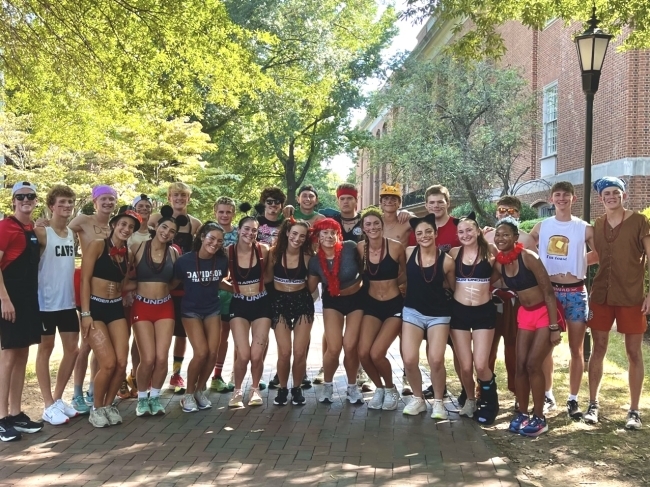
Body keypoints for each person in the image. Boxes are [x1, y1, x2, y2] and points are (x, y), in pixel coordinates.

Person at [585, 177, 650, 430]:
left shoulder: (639, 222)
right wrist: (561, 266)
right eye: (606, 194)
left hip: (631, 296)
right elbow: (596, 256)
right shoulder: (598, 224)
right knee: (598, 348)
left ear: (623, 195)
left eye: (615, 192)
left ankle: (634, 410)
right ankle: (593, 404)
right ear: (600, 198)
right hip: (601, 295)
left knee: (633, 352)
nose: (611, 196)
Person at [528, 181, 596, 419]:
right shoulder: (542, 226)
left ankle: (573, 399)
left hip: (576, 292)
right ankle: (548, 395)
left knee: (576, 349)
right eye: (557, 195)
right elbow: (525, 249)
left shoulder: (584, 227)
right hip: (550, 293)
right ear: (551, 198)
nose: (561, 199)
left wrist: (577, 261)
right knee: (547, 347)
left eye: (566, 195)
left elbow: (600, 253)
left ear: (573, 199)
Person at [493, 217, 563, 437]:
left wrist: (554, 327)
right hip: (525, 314)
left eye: (506, 235)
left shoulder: (528, 257)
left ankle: (539, 417)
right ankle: (522, 414)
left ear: (516, 237)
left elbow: (549, 292)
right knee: (520, 365)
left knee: (534, 364)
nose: (501, 238)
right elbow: (485, 279)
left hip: (545, 312)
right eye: (498, 235)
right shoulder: (499, 262)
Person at [80, 206, 142, 428]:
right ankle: (95, 407)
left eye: (131, 227)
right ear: (114, 225)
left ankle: (107, 405)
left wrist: (152, 285)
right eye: (123, 224)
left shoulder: (129, 254)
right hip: (95, 308)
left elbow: (123, 284)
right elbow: (84, 280)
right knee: (106, 363)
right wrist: (85, 313)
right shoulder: (97, 245)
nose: (126, 229)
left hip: (115, 307)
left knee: (121, 363)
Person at [484, 196, 540, 410]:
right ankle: (484, 388)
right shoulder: (486, 236)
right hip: (491, 297)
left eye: (512, 210)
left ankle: (517, 391)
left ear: (518, 213)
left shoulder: (526, 239)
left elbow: (532, 274)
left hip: (516, 300)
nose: (507, 213)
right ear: (496, 212)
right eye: (502, 209)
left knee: (514, 348)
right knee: (488, 346)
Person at [0, 182, 45, 441]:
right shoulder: (5, 227)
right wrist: (5, 299)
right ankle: (2, 417)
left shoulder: (31, 229)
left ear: (36, 200)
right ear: (14, 200)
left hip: (29, 301)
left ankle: (16, 414)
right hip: (10, 301)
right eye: (21, 196)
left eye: (30, 196)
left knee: (22, 356)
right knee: (7, 358)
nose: (26, 199)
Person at [68, 184, 118, 414]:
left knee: (103, 345)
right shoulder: (83, 221)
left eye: (112, 199)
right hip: (86, 287)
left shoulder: (115, 227)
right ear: (95, 200)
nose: (108, 203)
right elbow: (60, 230)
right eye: (104, 199)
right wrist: (43, 224)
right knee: (87, 343)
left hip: (107, 291)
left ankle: (93, 387)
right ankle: (77, 392)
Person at [130, 206, 184, 416]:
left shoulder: (174, 253)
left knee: (162, 358)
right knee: (148, 358)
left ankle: (155, 397)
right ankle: (141, 399)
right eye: (164, 227)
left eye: (171, 231)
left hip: (165, 307)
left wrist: (165, 289)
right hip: (141, 307)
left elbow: (177, 278)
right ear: (156, 227)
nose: (166, 233)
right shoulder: (137, 247)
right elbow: (126, 275)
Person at [35, 185, 82, 426]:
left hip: (67, 302)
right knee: (46, 349)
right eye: (62, 202)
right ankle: (46, 405)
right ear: (51, 205)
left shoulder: (71, 233)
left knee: (72, 349)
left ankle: (57, 399)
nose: (66, 206)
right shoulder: (42, 232)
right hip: (44, 302)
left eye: (70, 202)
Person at [401, 214, 455, 418]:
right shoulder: (408, 253)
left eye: (428, 232)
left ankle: (439, 402)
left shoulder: (447, 261)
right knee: (409, 358)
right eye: (419, 233)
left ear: (436, 233)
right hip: (412, 311)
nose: (424, 236)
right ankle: (418, 399)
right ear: (415, 236)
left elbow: (453, 287)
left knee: (436, 359)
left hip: (438, 314)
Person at [149, 182, 201, 393]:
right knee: (154, 333)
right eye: (175, 195)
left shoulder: (195, 224)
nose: (179, 198)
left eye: (183, 195)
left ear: (188, 199)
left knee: (182, 333)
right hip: (158, 283)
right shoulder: (154, 219)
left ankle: (176, 374)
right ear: (169, 198)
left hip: (183, 286)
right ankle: (146, 373)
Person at [173, 221, 230, 413]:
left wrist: (240, 290)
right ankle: (188, 395)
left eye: (219, 241)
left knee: (213, 353)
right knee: (201, 352)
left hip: (212, 309)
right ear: (201, 237)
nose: (214, 243)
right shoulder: (184, 261)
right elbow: (173, 283)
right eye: (211, 238)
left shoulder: (222, 261)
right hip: (190, 311)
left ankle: (199, 390)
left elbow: (219, 281)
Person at [308, 218, 365, 404]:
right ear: (317, 236)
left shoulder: (350, 247)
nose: (329, 236)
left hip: (356, 299)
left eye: (333, 232)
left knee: (350, 345)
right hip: (332, 302)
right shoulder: (315, 261)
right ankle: (327, 386)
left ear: (338, 234)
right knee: (334, 348)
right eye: (324, 233)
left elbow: (368, 262)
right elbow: (310, 288)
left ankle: (352, 387)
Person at [449, 214, 499, 424]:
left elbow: (497, 275)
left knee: (480, 364)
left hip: (483, 312)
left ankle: (490, 401)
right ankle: (470, 400)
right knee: (466, 366)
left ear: (478, 231)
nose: (465, 235)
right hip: (459, 312)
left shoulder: (490, 250)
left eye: (469, 230)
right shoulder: (454, 253)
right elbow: (448, 278)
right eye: (461, 232)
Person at [357, 208, 406, 411]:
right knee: (363, 353)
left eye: (376, 223)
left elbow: (405, 272)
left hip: (394, 305)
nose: (372, 227)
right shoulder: (360, 248)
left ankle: (391, 388)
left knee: (377, 353)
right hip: (372, 305)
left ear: (382, 225)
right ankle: (379, 389)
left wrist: (400, 287)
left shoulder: (396, 247)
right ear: (363, 228)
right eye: (368, 224)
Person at [267, 219, 314, 406]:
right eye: (294, 234)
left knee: (300, 351)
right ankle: (283, 388)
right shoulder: (273, 254)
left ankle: (297, 388)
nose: (297, 238)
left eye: (302, 236)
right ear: (287, 233)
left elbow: (311, 285)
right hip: (279, 302)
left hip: (302, 302)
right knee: (285, 352)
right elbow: (267, 279)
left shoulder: (309, 256)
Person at [227, 216, 273, 408]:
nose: (250, 233)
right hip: (239, 305)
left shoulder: (263, 250)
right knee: (243, 355)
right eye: (246, 229)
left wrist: (256, 288)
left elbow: (269, 275)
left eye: (254, 230)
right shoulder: (228, 252)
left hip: (261, 303)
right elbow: (220, 279)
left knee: (256, 354)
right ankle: (237, 391)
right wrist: (237, 289)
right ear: (238, 230)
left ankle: (254, 389)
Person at [121, 193, 154, 400]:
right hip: (127, 290)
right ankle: (120, 378)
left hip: (146, 293)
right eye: (140, 206)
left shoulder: (154, 233)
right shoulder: (128, 233)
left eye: (147, 206)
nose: (144, 209)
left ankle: (135, 375)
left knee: (140, 340)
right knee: (123, 336)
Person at [210, 197, 238, 393]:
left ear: (233, 213)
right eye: (221, 211)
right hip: (212, 289)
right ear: (215, 212)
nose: (224, 215)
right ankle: (214, 376)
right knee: (217, 335)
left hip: (236, 290)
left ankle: (237, 375)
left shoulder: (239, 233)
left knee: (236, 333)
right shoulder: (208, 233)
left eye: (228, 212)